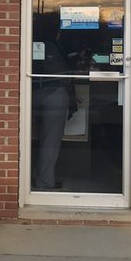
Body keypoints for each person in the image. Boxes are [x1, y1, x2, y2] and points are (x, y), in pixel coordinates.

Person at [31, 16, 76, 190]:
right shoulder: (51, 45)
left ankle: (24, 179)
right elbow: (60, 73)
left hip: (30, 93)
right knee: (50, 140)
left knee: (21, 137)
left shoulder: (32, 40)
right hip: (52, 94)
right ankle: (44, 181)